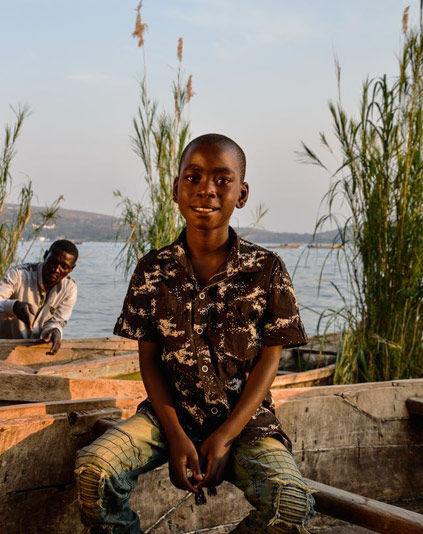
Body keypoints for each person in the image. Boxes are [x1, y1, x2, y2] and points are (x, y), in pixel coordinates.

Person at [74, 134, 314, 533]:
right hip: (168, 415)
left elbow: (271, 360)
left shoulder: (266, 268)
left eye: (222, 179)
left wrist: (224, 438)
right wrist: (176, 436)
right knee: (93, 470)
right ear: (176, 188)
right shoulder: (153, 269)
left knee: (290, 503)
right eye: (193, 177)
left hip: (245, 422)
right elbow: (149, 362)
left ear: (242, 193)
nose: (206, 189)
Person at [0, 240, 78, 355]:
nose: (56, 269)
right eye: (53, 262)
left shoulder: (70, 288)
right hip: (0, 346)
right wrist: (14, 307)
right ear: (45, 256)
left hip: (32, 352)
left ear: (71, 269)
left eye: (64, 267)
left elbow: (57, 322)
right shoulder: (19, 274)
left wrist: (55, 331)